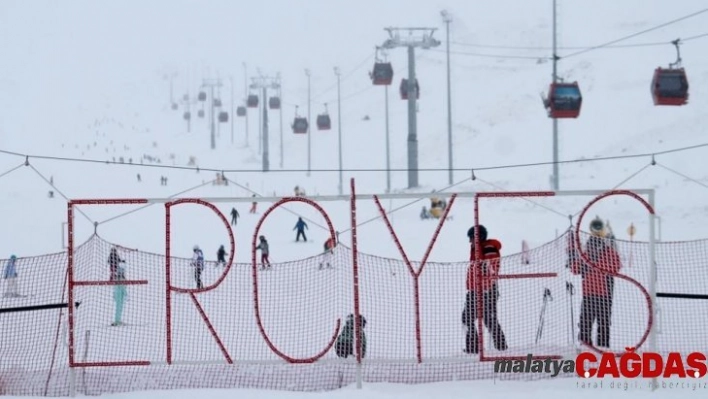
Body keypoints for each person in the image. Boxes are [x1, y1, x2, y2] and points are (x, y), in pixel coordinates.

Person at [569, 217, 621, 348]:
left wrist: (593, 263)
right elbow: (575, 269)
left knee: (602, 325)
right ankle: (586, 348)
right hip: (590, 295)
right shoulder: (586, 254)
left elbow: (615, 267)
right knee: (586, 324)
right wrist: (575, 256)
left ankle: (602, 350)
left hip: (604, 294)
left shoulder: (608, 252)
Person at [461, 225, 508, 354]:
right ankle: (474, 348)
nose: (469, 241)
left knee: (488, 319)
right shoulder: (476, 248)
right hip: (475, 289)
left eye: (471, 238)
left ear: (478, 237)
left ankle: (501, 347)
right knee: (468, 318)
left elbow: (493, 266)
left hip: (486, 289)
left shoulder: (488, 247)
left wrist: (484, 276)